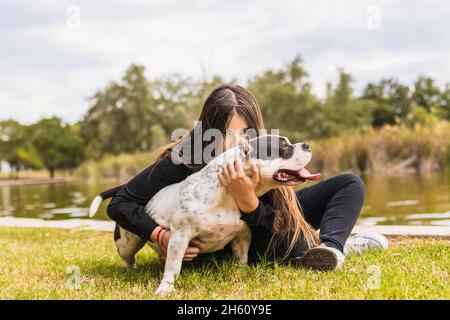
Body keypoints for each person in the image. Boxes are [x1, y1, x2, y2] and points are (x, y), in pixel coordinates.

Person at [107, 84, 388, 271]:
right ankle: (332, 245)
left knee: (349, 184)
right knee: (297, 251)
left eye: (245, 134)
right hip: (224, 245)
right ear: (208, 132)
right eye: (226, 134)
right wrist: (162, 235)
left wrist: (249, 199)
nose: (235, 144)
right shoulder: (183, 161)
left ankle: (334, 247)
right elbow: (120, 203)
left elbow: (277, 226)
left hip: (263, 222)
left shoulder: (263, 157)